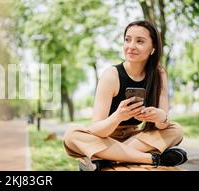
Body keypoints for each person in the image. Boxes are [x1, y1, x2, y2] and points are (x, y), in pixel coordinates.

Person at [63, 20, 187, 171]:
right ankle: (152, 158)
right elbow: (96, 129)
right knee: (72, 134)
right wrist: (118, 116)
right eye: (127, 40)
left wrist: (160, 116)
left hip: (135, 137)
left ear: (153, 48)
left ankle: (107, 157)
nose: (131, 46)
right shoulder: (111, 75)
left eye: (140, 41)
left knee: (176, 129)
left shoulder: (159, 74)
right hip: (105, 138)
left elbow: (163, 124)